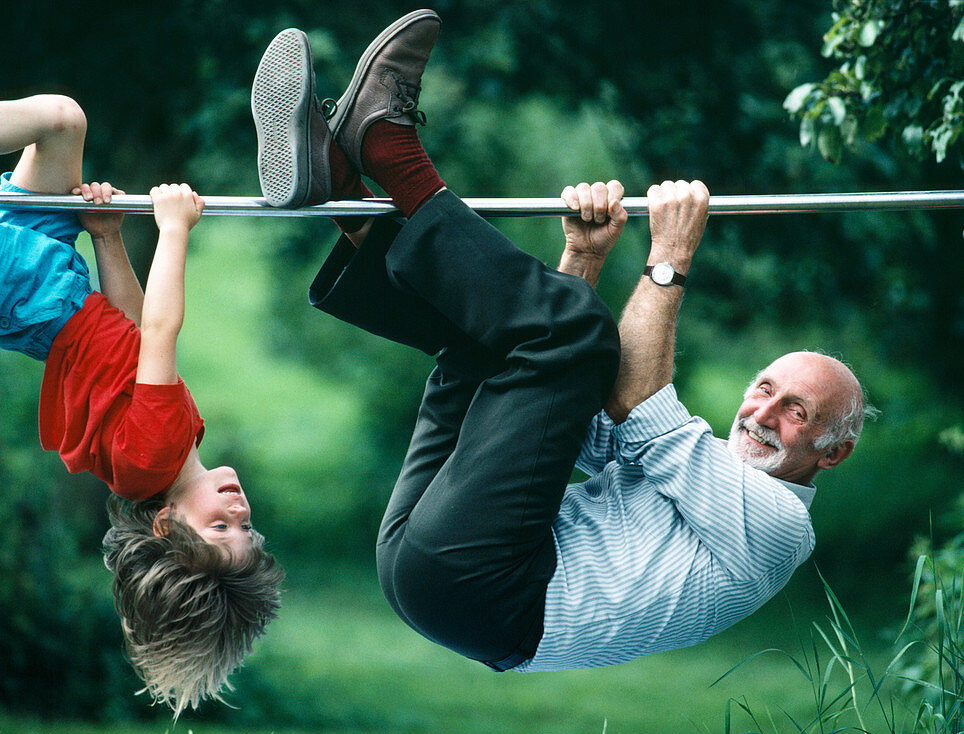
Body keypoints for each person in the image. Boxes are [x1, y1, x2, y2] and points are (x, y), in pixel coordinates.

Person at [250, 10, 876, 673]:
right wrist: (583, 257)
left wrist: (669, 253)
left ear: (834, 453)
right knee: (492, 349)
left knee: (576, 330)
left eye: (798, 412)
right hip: (436, 564)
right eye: (765, 390)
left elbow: (634, 398)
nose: (764, 416)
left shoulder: (777, 526)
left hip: (487, 591)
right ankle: (342, 189)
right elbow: (557, 410)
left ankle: (391, 152)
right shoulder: (700, 472)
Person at [0, 79, 282, 713]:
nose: (237, 507)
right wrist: (109, 237)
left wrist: (174, 230)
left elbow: (164, 329)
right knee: (61, 120)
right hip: (56, 282)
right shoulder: (165, 457)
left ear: (168, 525)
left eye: (219, 525)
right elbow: (136, 331)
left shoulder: (157, 455)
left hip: (30, 293)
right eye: (245, 526)